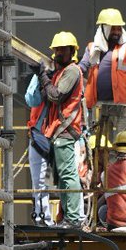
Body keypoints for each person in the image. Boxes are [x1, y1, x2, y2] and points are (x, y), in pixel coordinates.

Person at [35, 32, 87, 228]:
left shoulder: (72, 71)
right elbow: (46, 96)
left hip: (65, 130)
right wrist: (43, 78)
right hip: (57, 131)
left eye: (63, 50)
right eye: (56, 49)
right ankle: (68, 217)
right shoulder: (60, 73)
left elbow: (56, 96)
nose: (58, 53)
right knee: (61, 177)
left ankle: (73, 218)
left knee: (68, 175)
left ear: (72, 51)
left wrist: (43, 76)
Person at [81, 8, 126, 107]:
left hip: (121, 105)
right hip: (96, 105)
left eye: (119, 29)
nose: (117, 32)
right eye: (113, 29)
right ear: (104, 29)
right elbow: (82, 66)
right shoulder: (92, 48)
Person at [24, 71, 54, 226]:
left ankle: (45, 218)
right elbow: (31, 99)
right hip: (40, 136)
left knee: (46, 181)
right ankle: (43, 218)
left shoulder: (67, 77)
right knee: (41, 181)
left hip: (53, 136)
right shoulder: (42, 78)